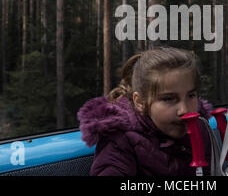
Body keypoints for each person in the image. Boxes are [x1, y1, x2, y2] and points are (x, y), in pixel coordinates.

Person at [77, 46, 213, 176]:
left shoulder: (200, 128)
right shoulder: (121, 140)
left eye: (191, 95)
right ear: (140, 102)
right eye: (169, 99)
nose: (184, 110)